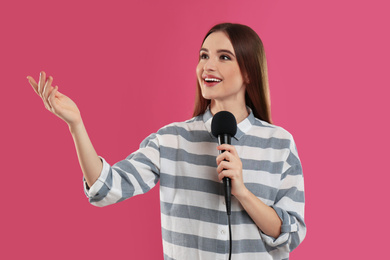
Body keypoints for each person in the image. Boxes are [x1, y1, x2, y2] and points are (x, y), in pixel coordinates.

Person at [27, 23, 306, 260]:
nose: (207, 66)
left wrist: (242, 192)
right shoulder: (170, 140)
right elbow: (106, 187)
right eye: (203, 55)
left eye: (223, 57)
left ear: (248, 71)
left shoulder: (279, 144)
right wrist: (76, 125)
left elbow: (289, 233)